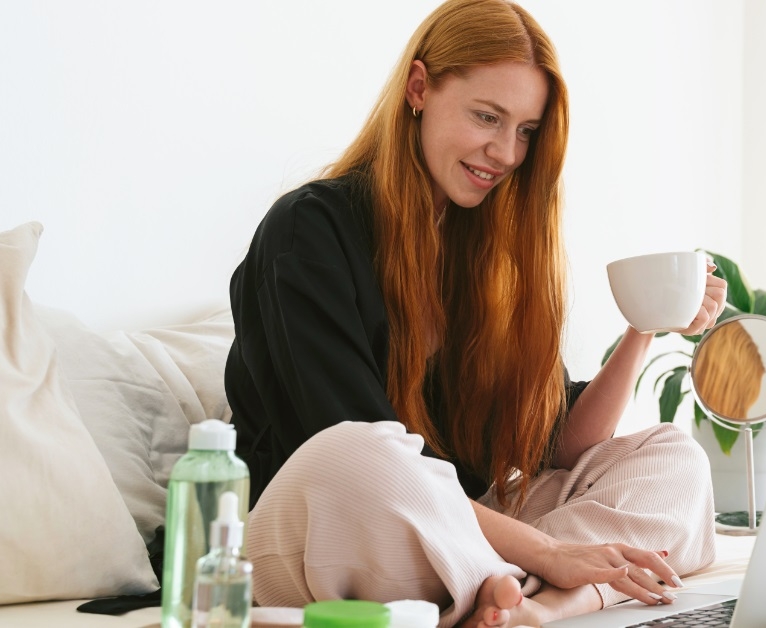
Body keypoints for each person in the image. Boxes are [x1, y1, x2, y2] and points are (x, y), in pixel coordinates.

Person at [223, 0, 728, 626]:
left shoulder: (484, 255)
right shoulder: (310, 230)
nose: (506, 152)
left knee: (673, 456)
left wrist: (645, 324)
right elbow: (352, 452)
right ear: (419, 88)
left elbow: (562, 439)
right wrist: (549, 547)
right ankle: (539, 580)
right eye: (487, 117)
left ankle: (529, 602)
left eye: (525, 130)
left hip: (457, 528)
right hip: (319, 527)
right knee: (365, 453)